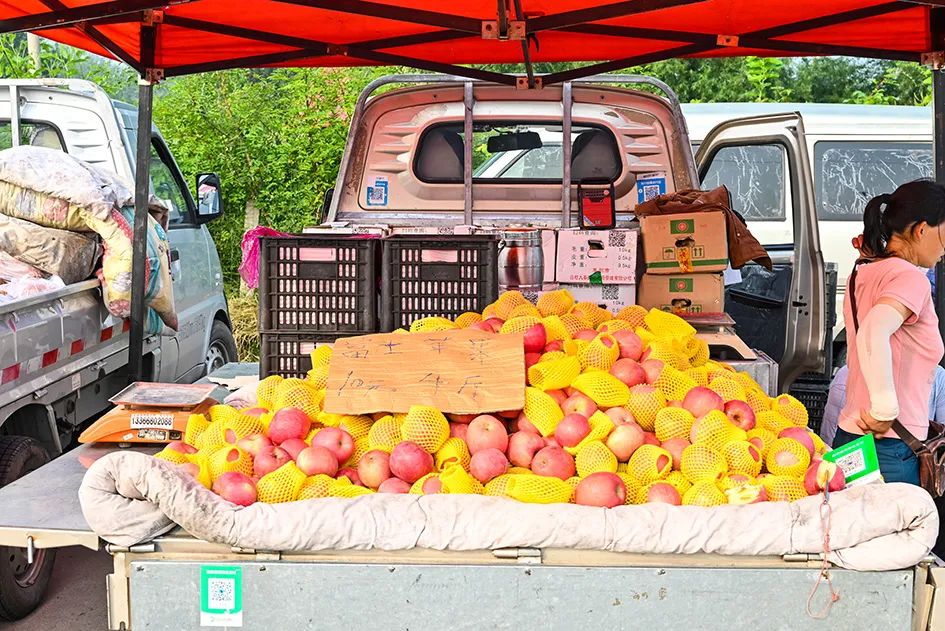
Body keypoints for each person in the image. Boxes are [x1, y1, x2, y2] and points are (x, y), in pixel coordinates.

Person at [834, 180, 945, 485]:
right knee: (900, 533)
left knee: (852, 530)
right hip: (890, 447)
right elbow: (873, 330)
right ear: (922, 230)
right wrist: (884, 407)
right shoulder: (910, 277)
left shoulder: (864, 270)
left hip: (851, 439)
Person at [821, 364, 945, 447]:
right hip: (902, 459)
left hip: (849, 455)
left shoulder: (846, 373)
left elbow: (828, 438)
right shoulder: (936, 376)